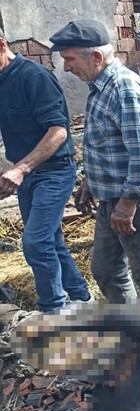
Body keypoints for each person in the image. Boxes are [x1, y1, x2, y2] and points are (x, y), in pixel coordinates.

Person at [50, 20, 140, 304]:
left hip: (137, 202)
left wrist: (127, 204)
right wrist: (91, 181)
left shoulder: (125, 89)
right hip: (114, 197)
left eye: (70, 59)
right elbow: (109, 144)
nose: (66, 68)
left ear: (96, 57)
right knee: (107, 270)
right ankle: (133, 329)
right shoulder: (102, 86)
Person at [0, 26, 93, 312]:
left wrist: (20, 170)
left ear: (1, 44)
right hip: (25, 174)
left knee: (35, 242)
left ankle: (53, 309)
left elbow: (59, 132)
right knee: (50, 240)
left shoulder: (34, 77)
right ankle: (80, 297)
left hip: (53, 171)